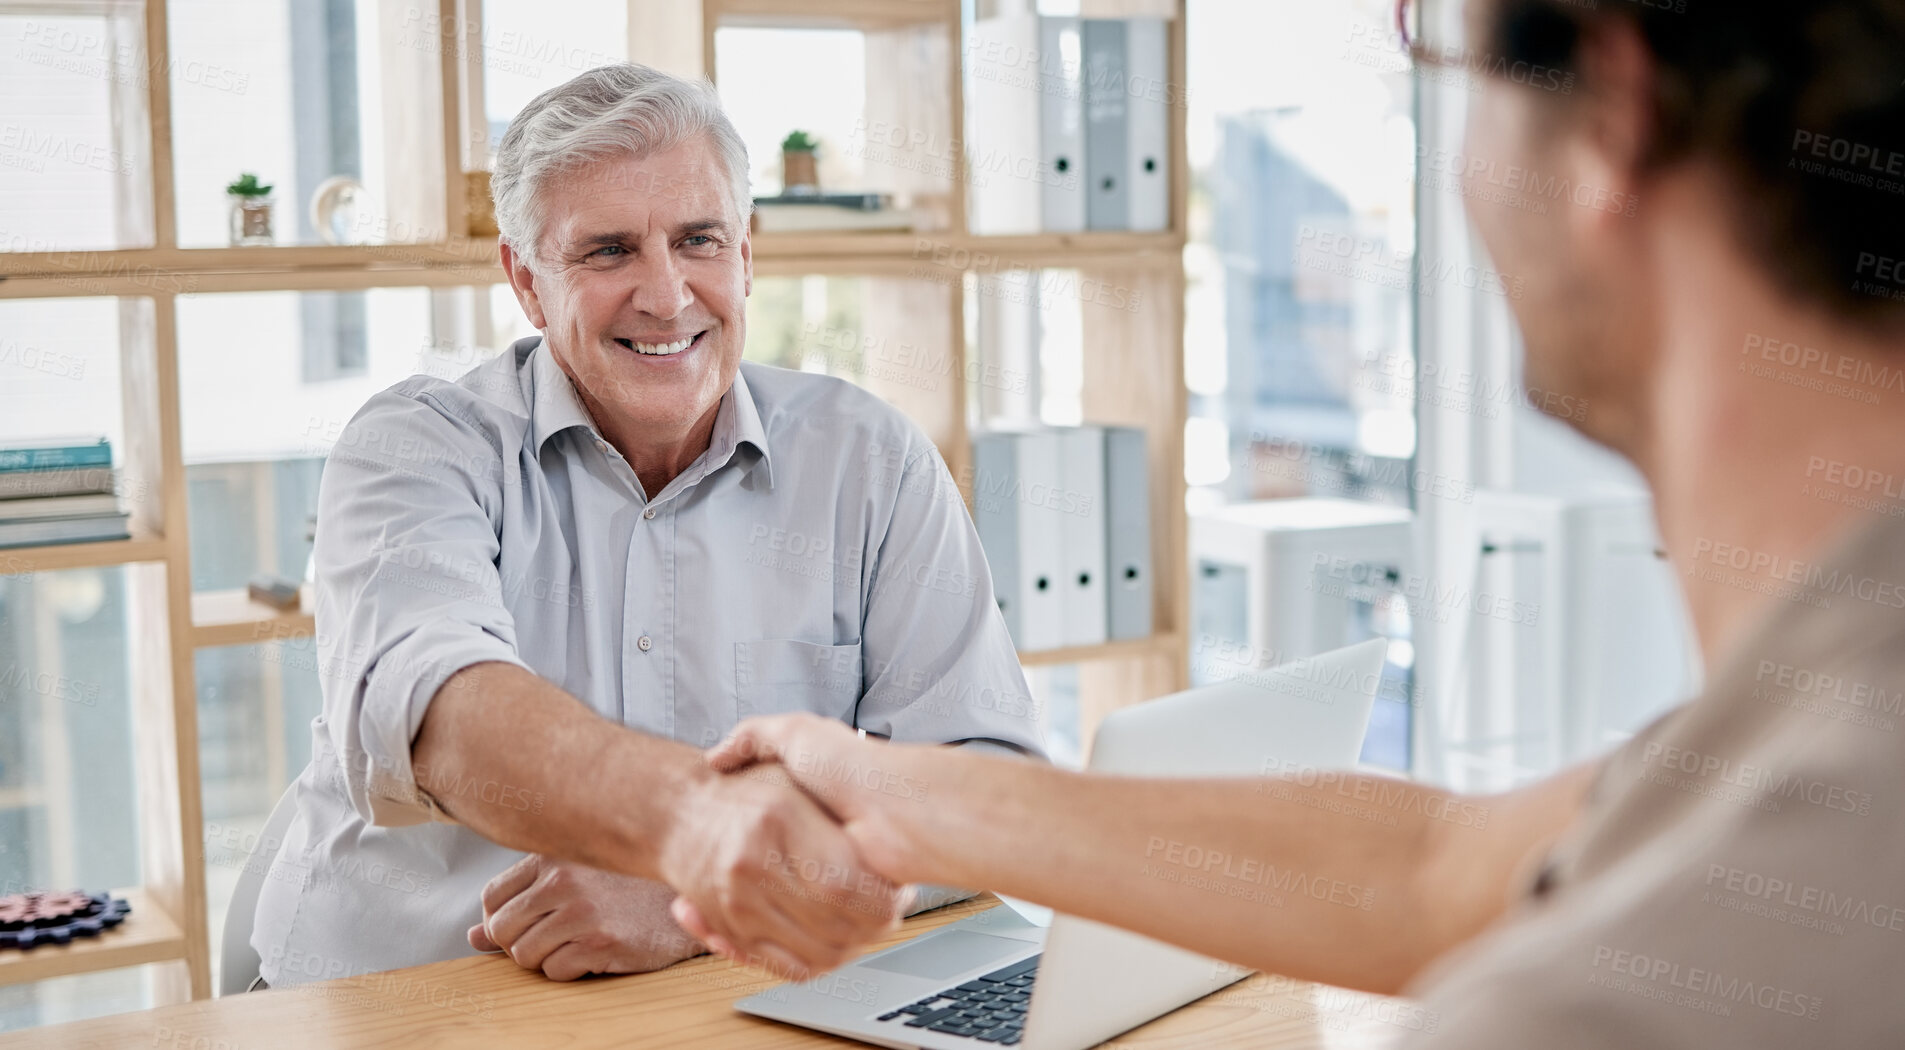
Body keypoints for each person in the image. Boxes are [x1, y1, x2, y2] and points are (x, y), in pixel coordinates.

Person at [691, 0, 1905, 1043]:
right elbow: (1436, 868)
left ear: (1610, 119)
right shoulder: (1809, 730)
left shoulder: (1592, 1014)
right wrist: (891, 793)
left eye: (1438, 45)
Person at [250, 63, 1046, 988]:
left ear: (745, 255)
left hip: (705, 996)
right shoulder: (415, 449)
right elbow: (444, 718)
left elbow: (985, 784)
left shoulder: (869, 459)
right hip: (395, 1003)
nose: (666, 295)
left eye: (698, 239)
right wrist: (699, 843)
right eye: (608, 251)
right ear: (528, 282)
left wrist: (694, 908)